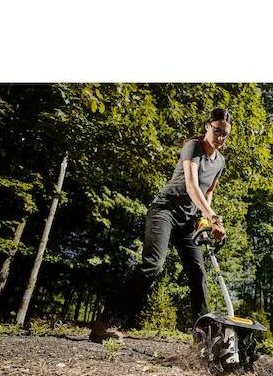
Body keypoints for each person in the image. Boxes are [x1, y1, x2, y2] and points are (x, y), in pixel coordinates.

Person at [89, 107, 231, 343]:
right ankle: (105, 323)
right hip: (164, 210)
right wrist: (214, 217)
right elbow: (191, 186)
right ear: (207, 126)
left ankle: (203, 336)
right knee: (153, 265)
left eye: (225, 134)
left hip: (188, 220)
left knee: (198, 273)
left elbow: (208, 191)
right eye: (217, 131)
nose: (220, 137)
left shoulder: (221, 161)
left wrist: (204, 218)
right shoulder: (193, 146)